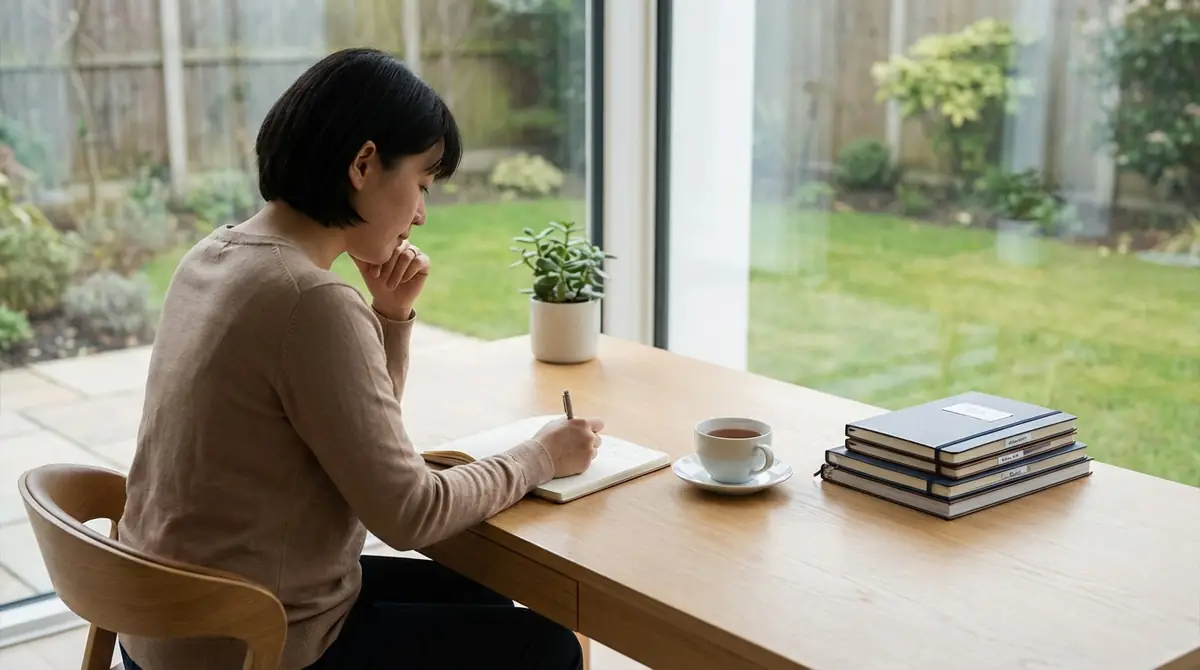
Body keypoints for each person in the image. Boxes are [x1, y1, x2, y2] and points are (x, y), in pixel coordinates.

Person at [116, 47, 603, 670]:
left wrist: (390, 318)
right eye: (422, 184)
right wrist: (542, 455)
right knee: (548, 648)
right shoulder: (309, 299)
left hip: (166, 622)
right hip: (255, 642)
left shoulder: (214, 256)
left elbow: (362, 448)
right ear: (364, 164)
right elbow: (411, 513)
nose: (422, 214)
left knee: (488, 596)